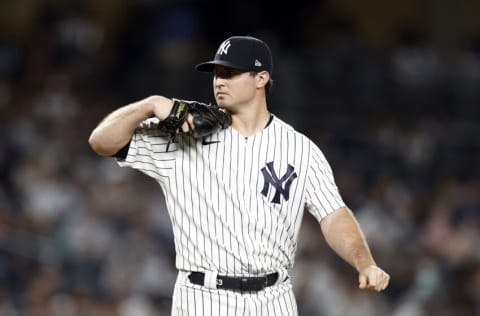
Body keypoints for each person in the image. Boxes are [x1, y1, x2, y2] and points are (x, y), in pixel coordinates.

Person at [89, 35, 390, 315]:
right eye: (217, 74)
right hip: (202, 297)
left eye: (230, 73)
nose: (219, 81)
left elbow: (333, 215)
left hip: (273, 298)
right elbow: (101, 141)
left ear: (261, 78)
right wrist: (149, 104)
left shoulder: (300, 149)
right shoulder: (183, 135)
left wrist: (365, 263)